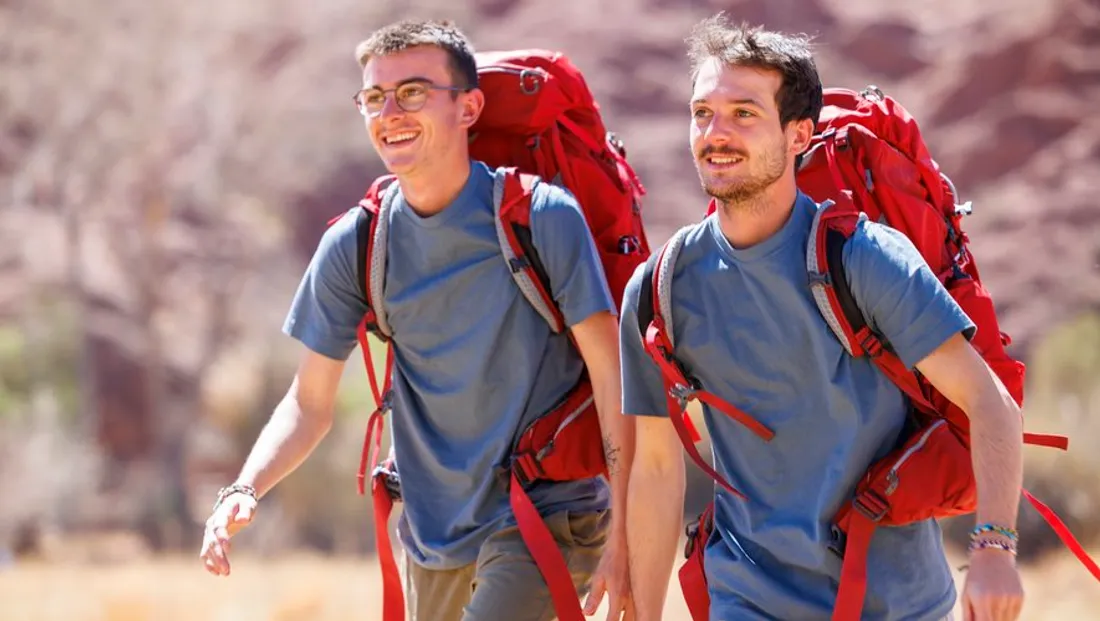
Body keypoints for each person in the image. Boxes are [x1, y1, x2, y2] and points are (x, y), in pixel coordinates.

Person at [198, 19, 634, 621]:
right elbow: (308, 404)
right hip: (431, 540)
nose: (389, 113)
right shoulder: (360, 241)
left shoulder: (539, 217)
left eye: (412, 93)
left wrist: (627, 532)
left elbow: (614, 375)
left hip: (544, 516)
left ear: (469, 106)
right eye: (374, 98)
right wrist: (243, 490)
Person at [619, 14, 1026, 621]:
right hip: (745, 599)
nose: (715, 132)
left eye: (744, 114)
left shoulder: (863, 259)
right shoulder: (661, 287)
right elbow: (654, 468)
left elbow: (989, 402)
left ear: (798, 135)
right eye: (702, 112)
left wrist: (995, 547)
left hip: (895, 603)